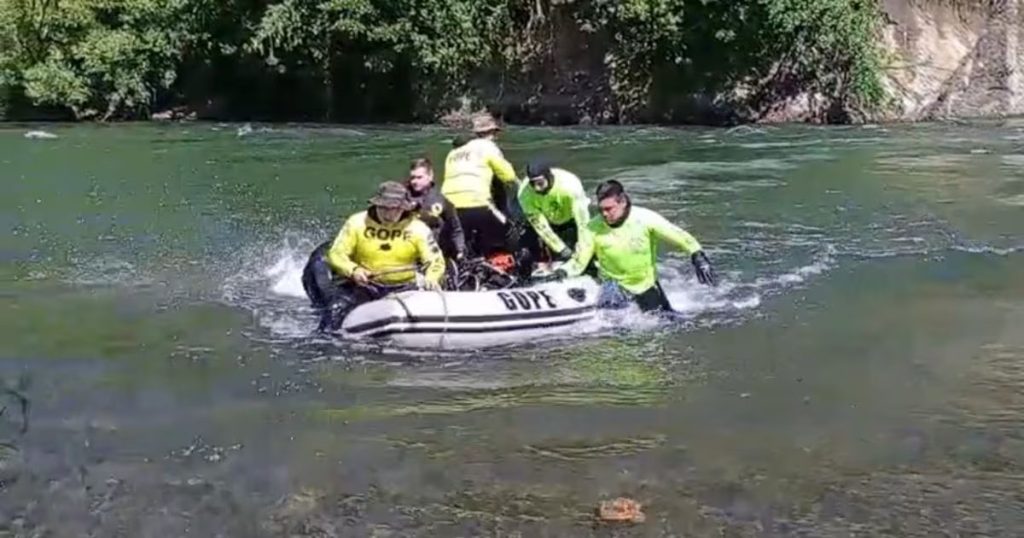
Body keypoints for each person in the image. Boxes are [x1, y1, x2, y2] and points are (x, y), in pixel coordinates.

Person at [551, 180, 717, 312]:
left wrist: (697, 255)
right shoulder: (592, 228)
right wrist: (562, 272)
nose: (604, 214)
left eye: (609, 209)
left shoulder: (645, 218)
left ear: (622, 202)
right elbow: (580, 261)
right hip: (613, 286)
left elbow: (678, 236)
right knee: (614, 329)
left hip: (644, 285)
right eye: (601, 209)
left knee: (666, 322)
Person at [301, 181, 445, 330]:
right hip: (365, 287)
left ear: (403, 208)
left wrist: (432, 277)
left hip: (405, 288)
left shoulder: (418, 229)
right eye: (384, 208)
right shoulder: (356, 223)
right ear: (377, 204)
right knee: (336, 308)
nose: (389, 214)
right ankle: (326, 344)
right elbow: (336, 254)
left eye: (395, 209)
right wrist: (354, 270)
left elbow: (435, 261)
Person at [440, 112, 518, 258]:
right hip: (477, 203)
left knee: (465, 233)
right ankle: (516, 268)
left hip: (448, 207)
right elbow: (509, 176)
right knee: (509, 228)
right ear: (492, 133)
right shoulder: (488, 146)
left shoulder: (454, 153)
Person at [516, 158, 591, 266]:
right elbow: (540, 226)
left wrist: (584, 248)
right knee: (559, 257)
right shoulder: (525, 194)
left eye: (540, 183)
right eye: (532, 184)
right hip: (548, 221)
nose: (536, 188)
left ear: (549, 177)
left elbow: (583, 221)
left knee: (584, 253)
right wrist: (561, 249)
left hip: (571, 219)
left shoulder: (570, 185)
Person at [406, 157, 466, 262]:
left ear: (430, 176)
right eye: (412, 178)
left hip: (434, 252)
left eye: (419, 177)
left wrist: (460, 250)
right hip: (408, 252)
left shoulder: (441, 200)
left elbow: (455, 228)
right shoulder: (402, 197)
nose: (414, 181)